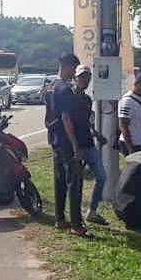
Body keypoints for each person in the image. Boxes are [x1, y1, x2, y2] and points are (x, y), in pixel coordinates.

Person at [45, 53, 91, 237]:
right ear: (67, 66)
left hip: (55, 139)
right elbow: (66, 118)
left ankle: (60, 218)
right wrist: (75, 145)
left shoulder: (50, 86)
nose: (74, 74)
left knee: (60, 180)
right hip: (66, 140)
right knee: (74, 182)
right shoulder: (64, 89)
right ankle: (76, 224)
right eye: (73, 69)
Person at [74, 65, 107, 224]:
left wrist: (96, 133)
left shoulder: (87, 99)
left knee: (102, 176)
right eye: (81, 77)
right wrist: (74, 146)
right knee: (76, 181)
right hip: (76, 146)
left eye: (87, 77)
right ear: (75, 79)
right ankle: (75, 214)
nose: (84, 80)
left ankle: (92, 211)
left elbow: (87, 121)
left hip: (89, 143)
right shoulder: (70, 98)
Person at [118, 72, 141, 155]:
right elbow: (123, 126)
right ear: (136, 84)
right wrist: (130, 148)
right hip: (133, 144)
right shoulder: (127, 101)